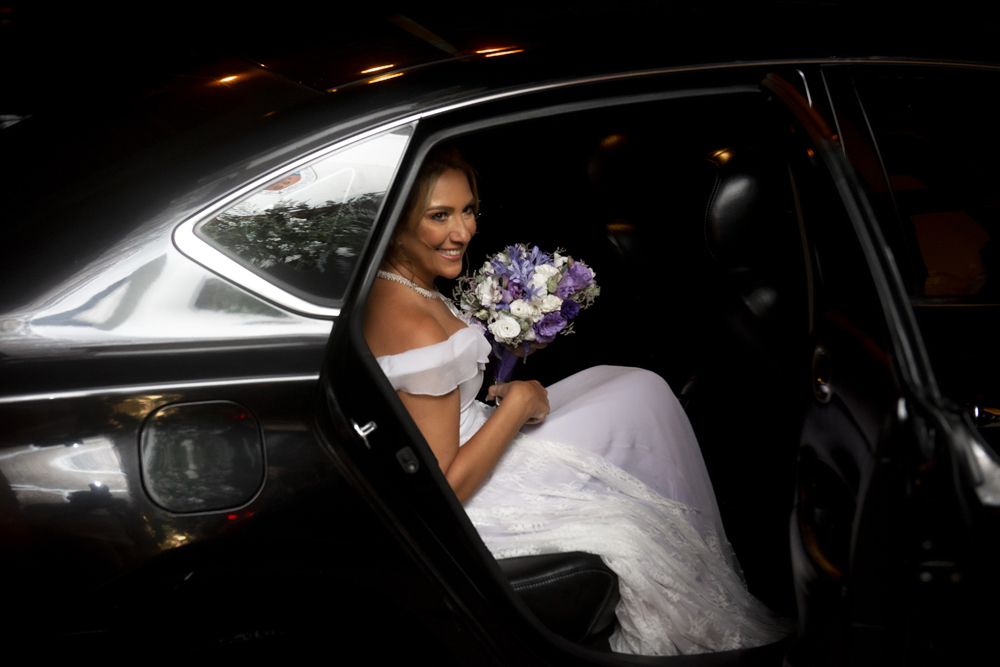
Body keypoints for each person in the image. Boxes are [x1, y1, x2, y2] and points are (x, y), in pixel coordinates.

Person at [363, 145, 791, 655]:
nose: (464, 232)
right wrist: (519, 404)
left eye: (469, 209)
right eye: (439, 216)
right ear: (394, 223)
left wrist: (506, 356)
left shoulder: (401, 285)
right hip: (471, 494)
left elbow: (428, 397)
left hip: (471, 429)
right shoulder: (412, 324)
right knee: (642, 400)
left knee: (631, 386)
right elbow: (446, 488)